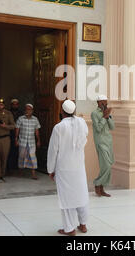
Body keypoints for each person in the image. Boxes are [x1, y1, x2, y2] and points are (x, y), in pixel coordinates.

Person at [48, 100, 89, 236]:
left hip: (64, 168)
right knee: (81, 194)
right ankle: (83, 225)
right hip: (78, 167)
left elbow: (53, 150)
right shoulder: (81, 123)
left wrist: (50, 169)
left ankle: (70, 229)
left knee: (66, 198)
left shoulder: (59, 127)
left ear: (62, 111)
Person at [91, 95, 115, 197]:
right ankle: (97, 183)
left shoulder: (107, 113)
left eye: (106, 102)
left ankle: (101, 187)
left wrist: (108, 117)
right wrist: (104, 117)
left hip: (108, 141)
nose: (105, 104)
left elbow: (112, 127)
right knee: (106, 165)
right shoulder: (94, 113)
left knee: (108, 165)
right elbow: (98, 128)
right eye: (103, 102)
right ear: (98, 102)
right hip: (100, 142)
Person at [15, 104, 41, 179]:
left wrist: (38, 140)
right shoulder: (20, 119)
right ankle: (20, 172)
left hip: (32, 142)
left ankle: (33, 174)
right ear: (24, 110)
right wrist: (16, 139)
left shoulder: (35, 119)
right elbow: (17, 129)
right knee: (21, 156)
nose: (28, 111)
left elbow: (37, 131)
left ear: (32, 111)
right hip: (22, 141)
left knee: (33, 157)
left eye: (29, 110)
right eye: (26, 109)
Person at [8, 99, 24, 171]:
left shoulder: (21, 113)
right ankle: (9, 167)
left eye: (16, 104)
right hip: (9, 134)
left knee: (18, 151)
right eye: (13, 104)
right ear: (11, 105)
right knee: (9, 151)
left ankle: (17, 167)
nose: (15, 105)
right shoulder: (8, 112)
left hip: (19, 134)